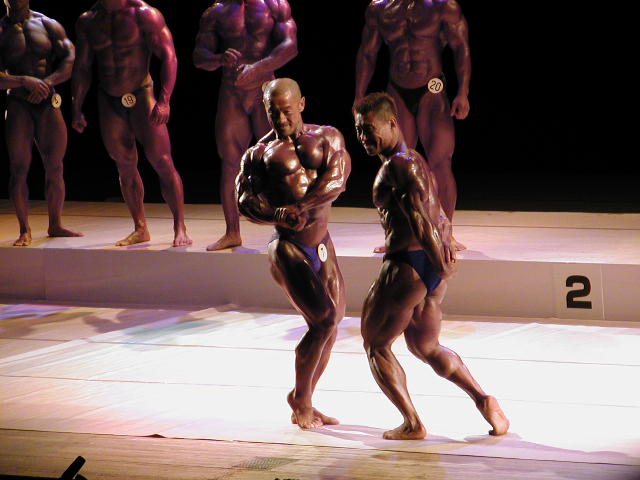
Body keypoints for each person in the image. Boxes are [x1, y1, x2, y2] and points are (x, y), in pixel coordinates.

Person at [353, 92, 508, 440]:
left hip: (409, 264)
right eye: (358, 130)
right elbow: (436, 215)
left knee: (376, 344)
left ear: (392, 123)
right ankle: (484, 400)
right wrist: (440, 260)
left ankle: (412, 423)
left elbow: (420, 218)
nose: (363, 137)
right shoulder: (414, 160)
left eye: (369, 128)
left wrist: (440, 260)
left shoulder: (398, 165)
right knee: (426, 347)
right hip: (426, 266)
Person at [237, 78, 351, 429]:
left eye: (287, 111)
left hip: (322, 242)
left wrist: (301, 206)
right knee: (323, 321)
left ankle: (304, 397)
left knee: (332, 325)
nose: (281, 119)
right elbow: (244, 200)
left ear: (301, 104)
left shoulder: (328, 137)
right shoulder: (258, 154)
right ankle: (301, 401)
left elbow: (338, 179)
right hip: (288, 247)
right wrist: (277, 214)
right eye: (274, 113)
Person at [72, 0, 191, 247]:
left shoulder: (144, 15)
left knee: (162, 161)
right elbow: (82, 66)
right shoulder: (88, 20)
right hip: (108, 98)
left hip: (142, 94)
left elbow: (169, 56)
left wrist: (164, 101)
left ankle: (180, 226)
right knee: (124, 165)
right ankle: (140, 228)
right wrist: (76, 107)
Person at [355, 0, 470, 227]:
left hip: (432, 89)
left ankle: (445, 230)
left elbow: (461, 47)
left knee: (440, 162)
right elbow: (367, 52)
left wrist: (463, 92)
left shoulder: (443, 6)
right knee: (396, 162)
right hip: (396, 89)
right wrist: (359, 94)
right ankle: (402, 230)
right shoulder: (379, 7)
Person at [194, 0, 297, 251]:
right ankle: (232, 232)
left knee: (280, 159)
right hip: (232, 91)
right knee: (230, 163)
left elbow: (290, 46)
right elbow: (199, 56)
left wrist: (258, 67)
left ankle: (288, 229)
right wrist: (219, 58)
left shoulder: (275, 5)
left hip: (265, 89)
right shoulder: (216, 11)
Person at [0, 0, 83, 246]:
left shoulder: (47, 24)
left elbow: (70, 59)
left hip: (47, 101)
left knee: (55, 166)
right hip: (18, 103)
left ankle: (55, 224)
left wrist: (45, 83)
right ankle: (24, 229)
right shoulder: (1, 30)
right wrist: (24, 81)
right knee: (19, 168)